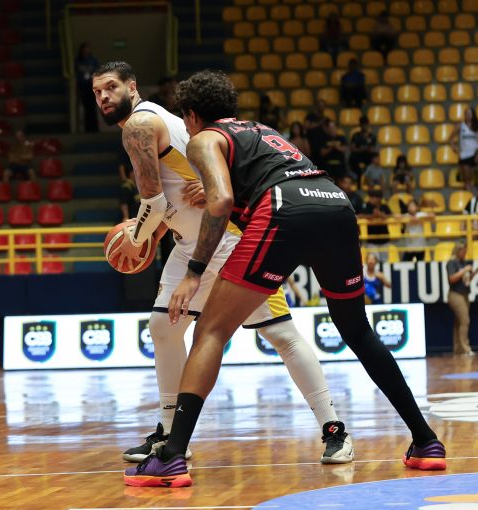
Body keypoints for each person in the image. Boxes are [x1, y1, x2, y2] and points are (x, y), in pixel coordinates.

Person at [122, 71, 445, 487]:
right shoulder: (262, 130)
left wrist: (194, 272)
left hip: (283, 210)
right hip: (335, 203)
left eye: (185, 119)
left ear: (192, 115)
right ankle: (426, 441)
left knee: (210, 331)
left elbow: (220, 201)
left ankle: (171, 457)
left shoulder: (204, 139)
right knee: (357, 330)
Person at [92, 62, 354, 468]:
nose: (104, 97)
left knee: (280, 334)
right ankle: (170, 433)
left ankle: (334, 429)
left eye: (111, 87)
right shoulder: (158, 120)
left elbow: (154, 203)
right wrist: (156, 234)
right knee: (163, 327)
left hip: (228, 236)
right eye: (97, 92)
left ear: (132, 86)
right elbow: (174, 197)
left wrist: (136, 238)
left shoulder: (139, 125)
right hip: (189, 242)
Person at [447, 243, 478, 357]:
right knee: (465, 320)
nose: (465, 254)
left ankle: (458, 349)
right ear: (458, 251)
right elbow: (452, 278)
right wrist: (464, 270)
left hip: (464, 294)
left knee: (459, 322)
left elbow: (466, 281)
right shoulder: (452, 263)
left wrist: (473, 274)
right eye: (463, 251)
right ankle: (466, 348)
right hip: (455, 294)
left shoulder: (463, 263)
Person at [448, 107, 478, 191]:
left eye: (470, 114)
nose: (468, 116)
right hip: (465, 156)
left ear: (473, 115)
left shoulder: (477, 127)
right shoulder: (460, 126)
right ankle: (469, 195)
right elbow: (450, 139)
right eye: (467, 114)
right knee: (467, 183)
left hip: (475, 154)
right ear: (464, 115)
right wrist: (454, 147)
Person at [358, 190, 391, 260]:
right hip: (372, 240)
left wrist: (381, 215)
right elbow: (360, 216)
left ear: (379, 199)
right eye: (370, 197)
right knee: (372, 260)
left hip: (384, 239)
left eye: (373, 197)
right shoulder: (366, 206)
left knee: (384, 261)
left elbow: (391, 216)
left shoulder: (384, 207)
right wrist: (372, 216)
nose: (370, 199)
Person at [76, 42, 99, 133]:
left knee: (92, 107)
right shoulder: (78, 61)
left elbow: (97, 71)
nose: (86, 50)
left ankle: (94, 128)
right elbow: (77, 74)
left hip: (91, 85)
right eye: (85, 48)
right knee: (86, 107)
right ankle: (88, 128)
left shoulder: (93, 60)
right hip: (83, 86)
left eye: (88, 48)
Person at [304, 99, 329, 166]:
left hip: (322, 145)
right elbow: (306, 126)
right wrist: (320, 123)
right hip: (312, 143)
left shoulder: (325, 118)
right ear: (316, 106)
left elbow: (328, 131)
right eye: (320, 105)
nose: (321, 107)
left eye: (323, 106)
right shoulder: (310, 116)